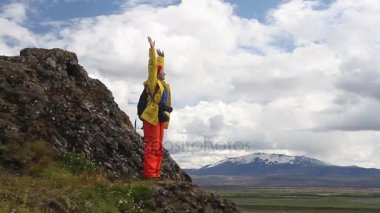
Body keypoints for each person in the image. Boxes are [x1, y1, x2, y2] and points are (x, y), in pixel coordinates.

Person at [140, 36, 172, 178]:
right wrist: (152, 50)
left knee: (158, 146)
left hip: (159, 118)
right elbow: (153, 67)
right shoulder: (153, 83)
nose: (165, 72)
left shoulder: (164, 85)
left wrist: (162, 58)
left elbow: (158, 67)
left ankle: (156, 173)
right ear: (158, 74)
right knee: (152, 145)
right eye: (163, 71)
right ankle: (150, 174)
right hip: (151, 118)